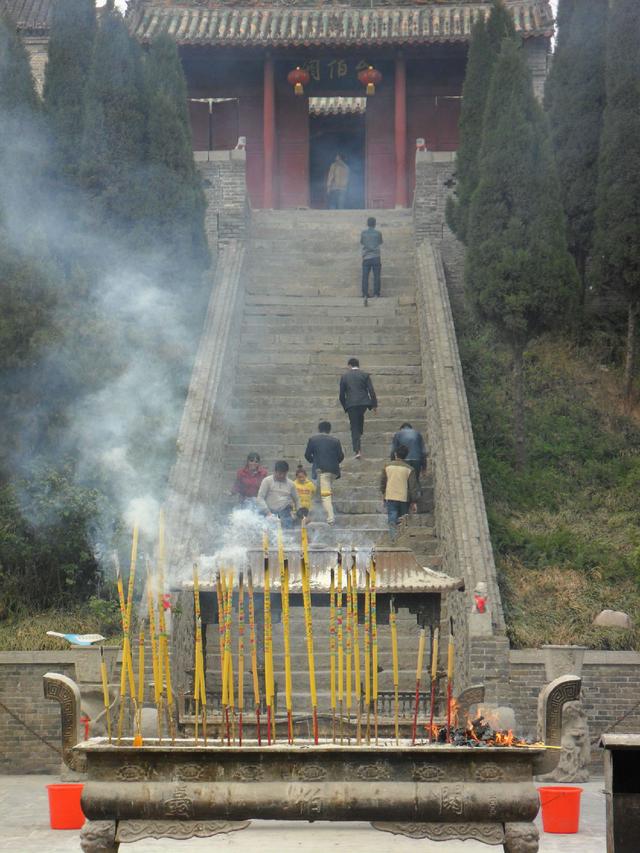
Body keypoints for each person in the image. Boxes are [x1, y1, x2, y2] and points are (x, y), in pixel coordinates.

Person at [304, 421, 345, 526]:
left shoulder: (313, 440)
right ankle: (315, 513)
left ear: (319, 429)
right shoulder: (336, 441)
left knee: (325, 496)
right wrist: (333, 463)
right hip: (333, 471)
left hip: (321, 471)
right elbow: (341, 456)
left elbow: (307, 455)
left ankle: (331, 518)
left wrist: (315, 461)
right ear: (329, 430)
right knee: (320, 491)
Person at [339, 357, 377, 459]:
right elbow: (371, 391)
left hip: (351, 404)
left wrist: (345, 406)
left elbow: (341, 395)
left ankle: (357, 450)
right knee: (359, 418)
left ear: (349, 365)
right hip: (364, 403)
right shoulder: (365, 375)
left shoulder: (344, 376)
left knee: (354, 426)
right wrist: (374, 405)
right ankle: (359, 434)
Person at [380, 445, 419, 539]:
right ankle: (402, 538)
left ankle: (393, 537)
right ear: (406, 455)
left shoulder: (387, 467)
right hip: (404, 498)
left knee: (392, 516)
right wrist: (414, 501)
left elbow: (383, 483)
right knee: (403, 518)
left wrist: (383, 494)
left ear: (395, 454)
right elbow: (413, 486)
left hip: (390, 496)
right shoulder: (409, 469)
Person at [256, 460, 300, 528]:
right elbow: (260, 498)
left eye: (284, 474)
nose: (282, 476)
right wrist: (268, 513)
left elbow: (297, 500)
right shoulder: (267, 481)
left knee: (287, 533)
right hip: (269, 511)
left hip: (285, 512)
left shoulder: (291, 484)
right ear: (275, 471)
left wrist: (298, 512)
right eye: (279, 473)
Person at [360, 216, 383, 304]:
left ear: (367, 224)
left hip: (366, 257)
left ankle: (365, 294)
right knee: (376, 276)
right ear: (375, 224)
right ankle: (376, 293)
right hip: (376, 257)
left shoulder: (363, 233)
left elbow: (362, 242)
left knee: (365, 276)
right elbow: (380, 242)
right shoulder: (378, 233)